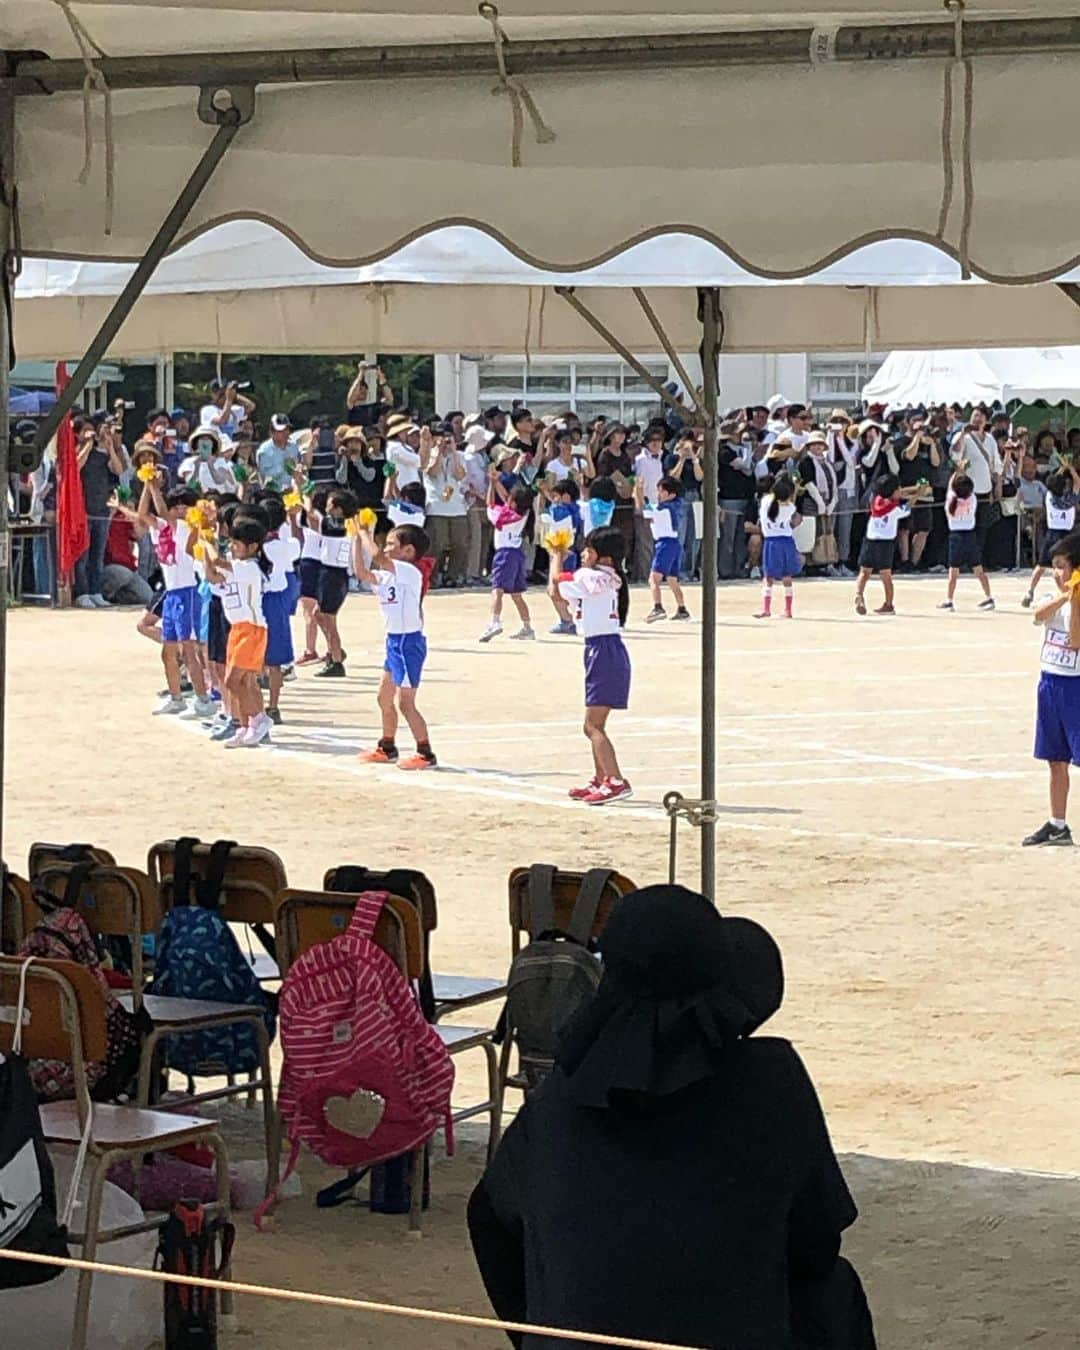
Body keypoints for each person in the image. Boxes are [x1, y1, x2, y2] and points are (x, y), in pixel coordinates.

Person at [468, 884, 875, 1350]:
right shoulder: (772, 1082)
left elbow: (491, 1223)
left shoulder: (560, 1099)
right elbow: (817, 1243)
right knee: (833, 1293)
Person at [554, 526, 632, 806]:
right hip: (601, 649)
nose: (584, 554)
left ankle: (615, 780)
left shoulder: (592, 576)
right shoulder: (607, 578)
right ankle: (601, 778)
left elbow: (556, 585)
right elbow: (564, 595)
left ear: (605, 557)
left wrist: (557, 555)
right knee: (593, 723)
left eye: (590, 549)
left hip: (604, 651)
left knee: (592, 725)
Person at [352, 521, 437, 771]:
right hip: (393, 641)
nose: (386, 549)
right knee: (384, 696)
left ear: (408, 551)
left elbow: (377, 556)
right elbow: (362, 572)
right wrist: (356, 540)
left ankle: (425, 752)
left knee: (405, 703)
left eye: (392, 544)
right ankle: (387, 746)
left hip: (408, 642)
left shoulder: (409, 572)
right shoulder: (388, 575)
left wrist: (366, 533)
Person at [137, 473, 213, 716]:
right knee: (168, 651)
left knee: (188, 650)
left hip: (187, 592)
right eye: (176, 505)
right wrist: (147, 488)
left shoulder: (186, 528)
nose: (179, 509)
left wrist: (153, 486)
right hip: (171, 594)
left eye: (185, 505)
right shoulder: (161, 530)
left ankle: (203, 699)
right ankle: (177, 697)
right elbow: (143, 514)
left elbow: (161, 511)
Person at [1024, 530, 1080, 847]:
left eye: (1063, 566)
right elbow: (1038, 615)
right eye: (1054, 567)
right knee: (1054, 759)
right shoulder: (1054, 598)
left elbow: (1075, 640)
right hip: (1050, 683)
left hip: (1075, 686)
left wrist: (1076, 603)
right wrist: (1065, 596)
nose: (1057, 573)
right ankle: (1058, 824)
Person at [201, 513, 273, 749]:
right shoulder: (236, 568)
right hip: (237, 629)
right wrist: (204, 552)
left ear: (252, 547)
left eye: (236, 544)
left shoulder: (249, 567)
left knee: (233, 681)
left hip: (252, 629)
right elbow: (212, 575)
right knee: (239, 682)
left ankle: (259, 719)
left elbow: (219, 562)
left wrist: (207, 540)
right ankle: (244, 726)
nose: (232, 547)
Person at [74, 417, 126, 607]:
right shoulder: (77, 452)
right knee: (83, 555)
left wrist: (110, 446)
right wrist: (87, 445)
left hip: (101, 511)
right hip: (83, 511)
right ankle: (81, 592)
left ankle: (95, 591)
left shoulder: (102, 456)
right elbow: (76, 467)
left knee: (98, 554)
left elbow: (119, 469)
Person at [260, 494, 300, 724]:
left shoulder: (257, 547)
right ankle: (273, 706)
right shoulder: (286, 545)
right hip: (278, 599)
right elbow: (296, 546)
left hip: (261, 600)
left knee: (258, 655)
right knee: (275, 659)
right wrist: (293, 522)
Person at [480, 476, 534, 643]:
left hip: (504, 554)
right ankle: (527, 627)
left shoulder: (505, 516)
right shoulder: (524, 513)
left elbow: (490, 505)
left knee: (497, 590)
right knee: (517, 594)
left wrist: (491, 484)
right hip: (517, 554)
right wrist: (496, 482)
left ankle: (495, 622)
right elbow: (505, 498)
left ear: (513, 502)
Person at [854, 472, 916, 617]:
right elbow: (907, 508)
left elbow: (899, 494)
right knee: (886, 576)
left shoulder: (876, 500)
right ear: (892, 491)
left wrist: (912, 489)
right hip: (886, 544)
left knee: (864, 572)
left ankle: (859, 595)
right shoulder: (895, 509)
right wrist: (917, 494)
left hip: (870, 540)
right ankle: (888, 604)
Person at [1022, 464, 1080, 607]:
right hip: (1067, 535)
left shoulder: (1049, 497)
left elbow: (1052, 483)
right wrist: (1071, 469)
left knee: (1041, 565)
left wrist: (1060, 471)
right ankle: (1066, 591)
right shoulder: (1071, 499)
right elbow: (1077, 483)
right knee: (1069, 566)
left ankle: (1030, 591)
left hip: (1052, 533)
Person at [937, 472, 995, 612]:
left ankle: (949, 600)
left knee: (953, 571)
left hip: (956, 537)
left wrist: (957, 470)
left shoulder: (951, 501)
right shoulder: (972, 499)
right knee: (979, 570)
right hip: (970, 536)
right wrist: (962, 471)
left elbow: (951, 486)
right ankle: (989, 597)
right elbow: (960, 488)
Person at [314, 488, 356, 677]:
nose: (326, 507)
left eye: (330, 504)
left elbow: (312, 516)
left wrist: (305, 496)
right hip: (333, 573)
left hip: (333, 574)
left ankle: (336, 659)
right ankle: (335, 649)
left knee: (329, 619)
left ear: (338, 508)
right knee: (319, 614)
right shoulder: (345, 523)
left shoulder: (336, 524)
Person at [756, 472, 802, 620]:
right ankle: (788, 609)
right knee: (787, 576)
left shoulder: (766, 501)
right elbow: (791, 504)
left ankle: (766, 608)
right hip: (787, 541)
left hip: (772, 542)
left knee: (768, 576)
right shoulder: (790, 507)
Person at [644, 476, 690, 623]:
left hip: (665, 543)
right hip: (674, 543)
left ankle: (658, 607)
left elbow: (645, 513)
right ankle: (682, 609)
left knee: (654, 578)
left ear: (671, 494)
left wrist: (638, 494)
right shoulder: (676, 506)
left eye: (662, 491)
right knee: (672, 579)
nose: (658, 494)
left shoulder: (664, 508)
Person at [295, 486, 328, 667]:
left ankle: (311, 650)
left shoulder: (319, 518)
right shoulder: (324, 519)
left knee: (311, 611)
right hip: (312, 562)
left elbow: (310, 515)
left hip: (312, 564)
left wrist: (304, 495)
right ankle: (325, 647)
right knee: (313, 611)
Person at [256, 413, 299, 490]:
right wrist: (284, 465)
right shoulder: (264, 450)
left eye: (286, 429)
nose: (285, 433)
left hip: (294, 491)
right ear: (271, 432)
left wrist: (300, 467)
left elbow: (299, 463)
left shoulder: (294, 446)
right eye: (280, 431)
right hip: (274, 494)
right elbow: (266, 476)